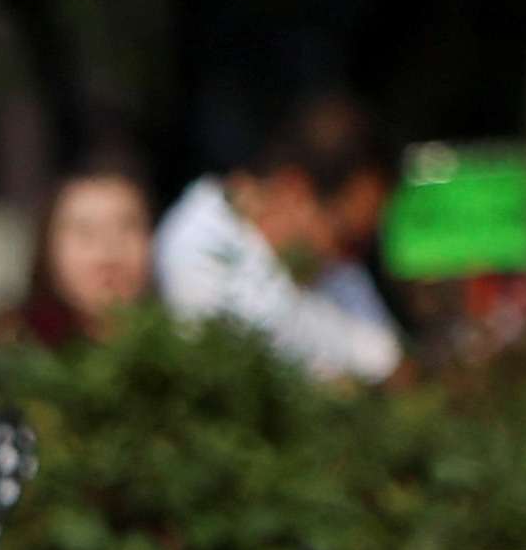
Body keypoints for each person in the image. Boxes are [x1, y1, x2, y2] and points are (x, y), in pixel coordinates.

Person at [153, 97, 402, 384]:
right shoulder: (200, 249)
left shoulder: (339, 268)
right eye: (346, 240)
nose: (351, 259)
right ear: (296, 193)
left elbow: (395, 370)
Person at [1, 156, 159, 345]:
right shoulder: (12, 349)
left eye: (127, 229)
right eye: (86, 232)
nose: (109, 253)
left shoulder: (181, 354)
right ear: (47, 248)